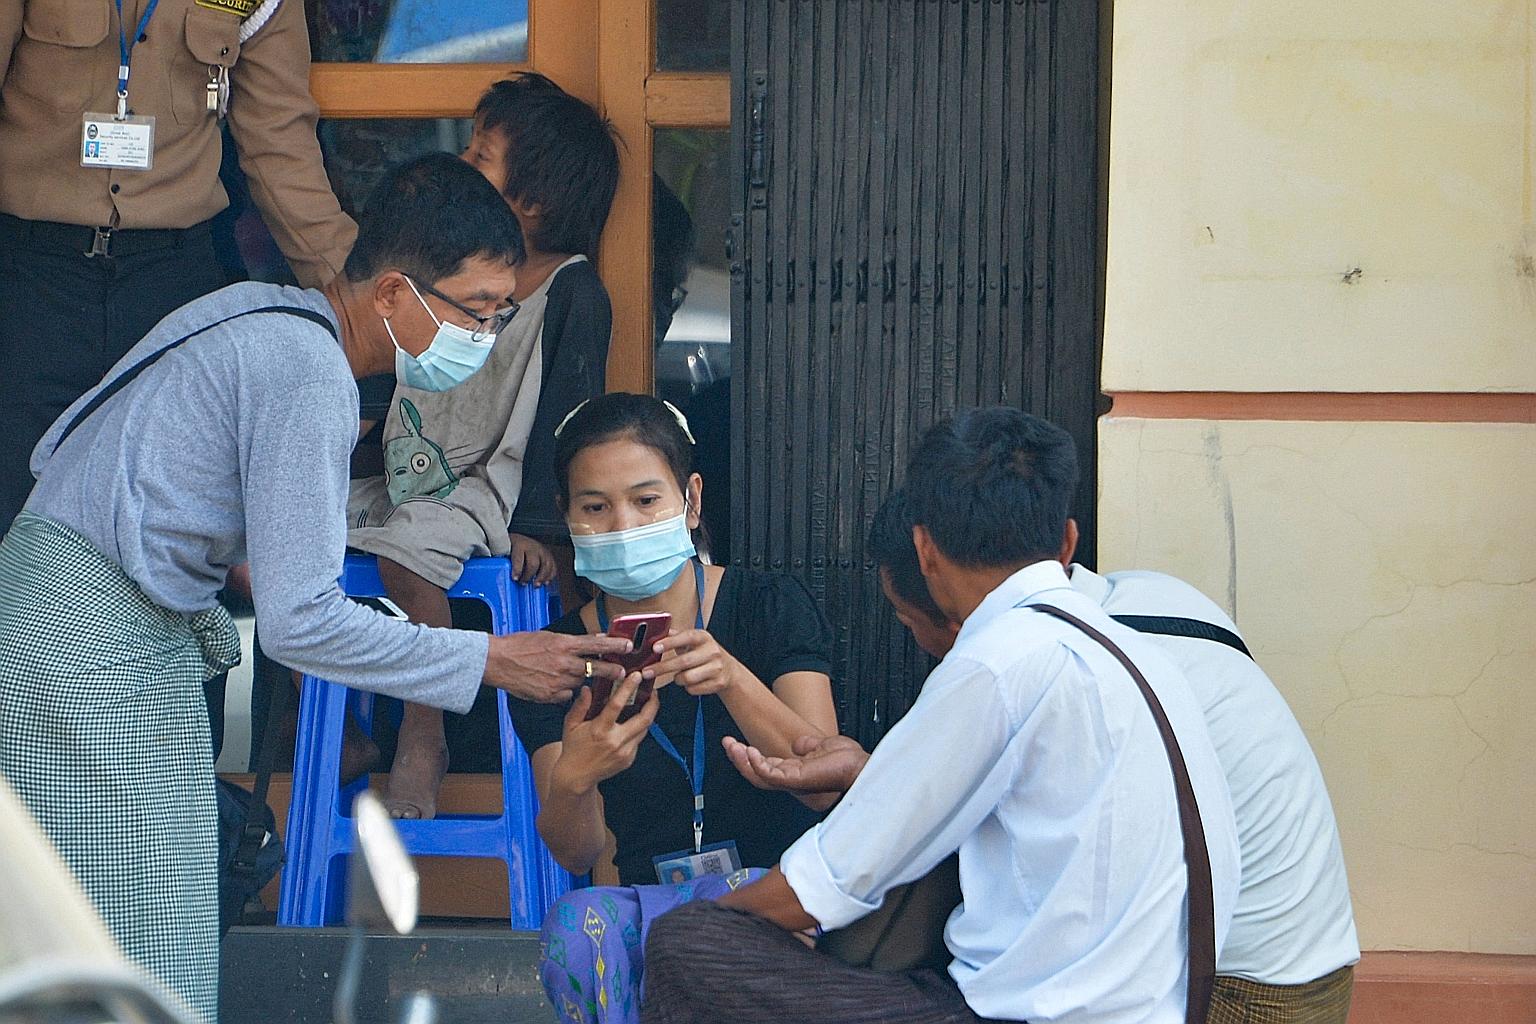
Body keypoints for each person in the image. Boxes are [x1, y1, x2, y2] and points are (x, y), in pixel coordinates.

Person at [0, 153, 632, 1023]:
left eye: (501, 314)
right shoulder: (309, 372)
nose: (485, 338)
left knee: (106, 928)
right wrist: (491, 658)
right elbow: (300, 624)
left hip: (65, 613)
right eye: (476, 311)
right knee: (139, 941)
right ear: (395, 294)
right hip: (88, 643)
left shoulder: (264, 316)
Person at [640, 407, 1241, 1024]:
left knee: (687, 943)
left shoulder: (997, 662)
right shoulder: (1131, 652)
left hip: (1034, 1013)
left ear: (923, 550)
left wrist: (735, 925)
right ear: (1066, 540)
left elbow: (827, 881)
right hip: (1168, 1005)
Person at [811, 489, 1357, 1024]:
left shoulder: (1059, 664)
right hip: (1319, 964)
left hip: (1229, 989)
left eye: (909, 623)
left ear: (948, 595)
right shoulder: (1151, 595)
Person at [504, 393, 840, 1024]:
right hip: (651, 906)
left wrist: (732, 678)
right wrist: (578, 773)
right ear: (566, 516)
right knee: (578, 928)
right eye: (595, 507)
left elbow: (825, 786)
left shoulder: (767, 606)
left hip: (779, 892)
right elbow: (579, 854)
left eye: (646, 500)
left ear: (691, 501)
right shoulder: (558, 659)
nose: (623, 526)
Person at [350, 72, 621, 820]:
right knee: (285, 540)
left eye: (480, 159)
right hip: (403, 476)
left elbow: (570, 415)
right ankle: (338, 725)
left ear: (530, 203)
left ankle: (421, 729)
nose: (463, 169)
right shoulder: (440, 271)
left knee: (404, 554)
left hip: (479, 488)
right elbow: (388, 363)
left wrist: (541, 528)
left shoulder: (570, 291)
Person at [0, 0, 357, 537]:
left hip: (171, 282)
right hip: (33, 276)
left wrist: (362, 294)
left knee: (162, 524)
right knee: (14, 506)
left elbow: (278, 141)